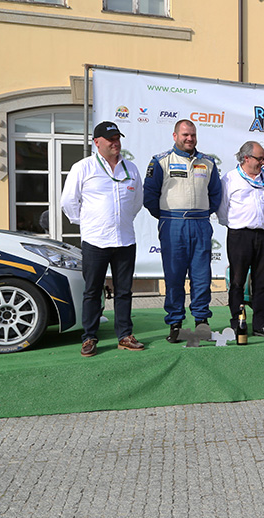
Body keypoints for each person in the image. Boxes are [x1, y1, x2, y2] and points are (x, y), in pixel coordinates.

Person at [60, 121, 144, 357]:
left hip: (125, 240)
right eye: (110, 139)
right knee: (92, 291)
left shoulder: (131, 169)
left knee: (124, 291)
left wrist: (121, 220)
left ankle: (125, 335)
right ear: (97, 142)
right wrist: (87, 222)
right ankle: (89, 337)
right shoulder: (83, 168)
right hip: (95, 241)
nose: (116, 142)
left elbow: (137, 202)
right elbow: (68, 202)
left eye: (118, 138)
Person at [143, 119, 222, 343]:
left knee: (201, 276)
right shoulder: (161, 161)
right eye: (185, 135)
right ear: (175, 136)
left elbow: (216, 193)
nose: (189, 139)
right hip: (173, 223)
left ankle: (201, 322)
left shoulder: (208, 163)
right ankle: (176, 323)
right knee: (175, 276)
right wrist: (167, 217)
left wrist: (204, 213)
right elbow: (149, 195)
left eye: (193, 135)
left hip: (200, 223)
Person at [217, 141, 264, 338]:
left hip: (263, 234)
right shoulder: (230, 179)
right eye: (259, 158)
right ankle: (238, 322)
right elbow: (222, 209)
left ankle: (260, 324)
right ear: (246, 158)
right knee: (237, 280)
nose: (262, 162)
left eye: (263, 159)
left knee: (261, 282)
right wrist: (236, 224)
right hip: (239, 234)